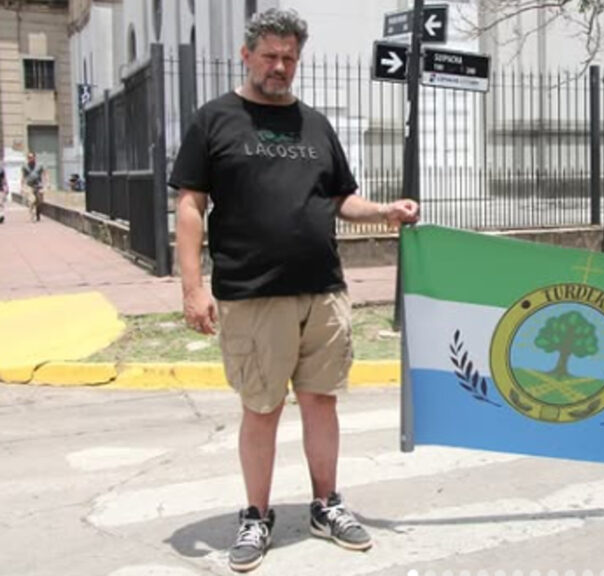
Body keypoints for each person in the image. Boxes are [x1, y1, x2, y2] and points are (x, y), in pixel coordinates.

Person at [170, 8, 419, 573]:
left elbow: (339, 199)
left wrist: (384, 211)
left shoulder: (315, 125)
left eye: (289, 57)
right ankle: (256, 515)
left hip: (323, 290)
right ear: (246, 56)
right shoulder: (215, 120)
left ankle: (326, 505)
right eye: (270, 56)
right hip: (252, 294)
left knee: (321, 401)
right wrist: (192, 288)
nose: (279, 67)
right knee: (262, 408)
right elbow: (190, 205)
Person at [21, 152, 46, 222]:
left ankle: (38, 213)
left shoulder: (40, 165)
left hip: (39, 186)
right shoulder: (25, 166)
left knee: (39, 201)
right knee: (31, 200)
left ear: (34, 157)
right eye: (28, 157)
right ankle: (32, 215)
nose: (30, 159)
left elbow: (44, 174)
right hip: (29, 186)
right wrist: (22, 187)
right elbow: (23, 176)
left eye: (31, 157)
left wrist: (45, 185)